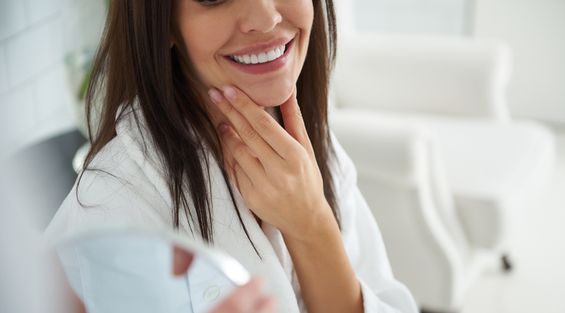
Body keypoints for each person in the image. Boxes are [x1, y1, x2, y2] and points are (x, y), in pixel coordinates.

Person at [45, 0, 418, 312]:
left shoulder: (307, 148)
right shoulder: (112, 209)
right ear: (165, 23)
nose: (266, 16)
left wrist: (313, 227)